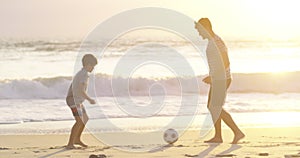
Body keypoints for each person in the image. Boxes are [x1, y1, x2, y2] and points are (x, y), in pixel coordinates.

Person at [194, 18, 245, 144]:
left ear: (206, 28)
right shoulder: (213, 41)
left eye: (200, 30)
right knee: (213, 106)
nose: (199, 33)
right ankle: (218, 136)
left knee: (214, 107)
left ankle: (237, 132)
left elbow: (226, 61)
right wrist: (212, 76)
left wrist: (214, 77)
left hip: (222, 79)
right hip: (219, 79)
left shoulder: (216, 42)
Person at [66, 54, 97, 149]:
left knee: (85, 118)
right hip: (73, 100)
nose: (93, 68)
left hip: (77, 100)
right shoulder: (84, 75)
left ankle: (77, 139)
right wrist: (89, 99)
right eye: (92, 66)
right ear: (87, 65)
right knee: (79, 121)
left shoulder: (82, 73)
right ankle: (70, 143)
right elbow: (81, 90)